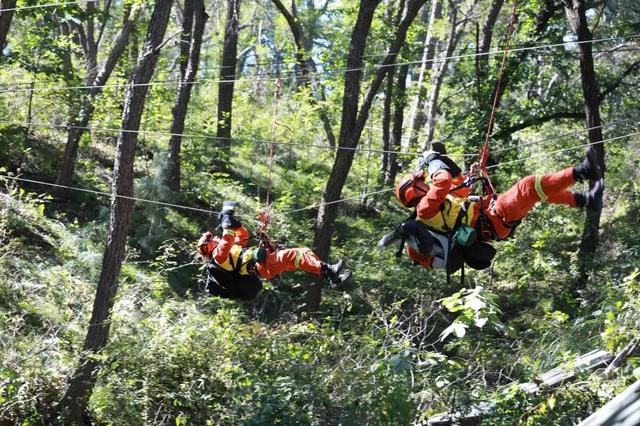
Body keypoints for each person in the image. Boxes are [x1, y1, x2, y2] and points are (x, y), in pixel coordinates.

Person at [381, 147, 604, 272]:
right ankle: (583, 172)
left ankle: (586, 200)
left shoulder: (438, 203)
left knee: (535, 192)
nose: (425, 182)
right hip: (493, 218)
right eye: (420, 182)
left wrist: (469, 172)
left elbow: (457, 184)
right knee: (528, 186)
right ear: (416, 189)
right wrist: (432, 161)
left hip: (493, 217)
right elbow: (442, 181)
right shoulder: (424, 209)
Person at [196, 201, 352, 301]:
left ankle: (332, 276)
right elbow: (227, 237)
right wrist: (226, 217)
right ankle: (331, 273)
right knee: (297, 255)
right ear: (207, 248)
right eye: (210, 240)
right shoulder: (218, 256)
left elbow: (243, 235)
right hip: (261, 266)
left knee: (303, 253)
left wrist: (233, 222)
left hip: (264, 264)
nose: (214, 238)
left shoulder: (228, 250)